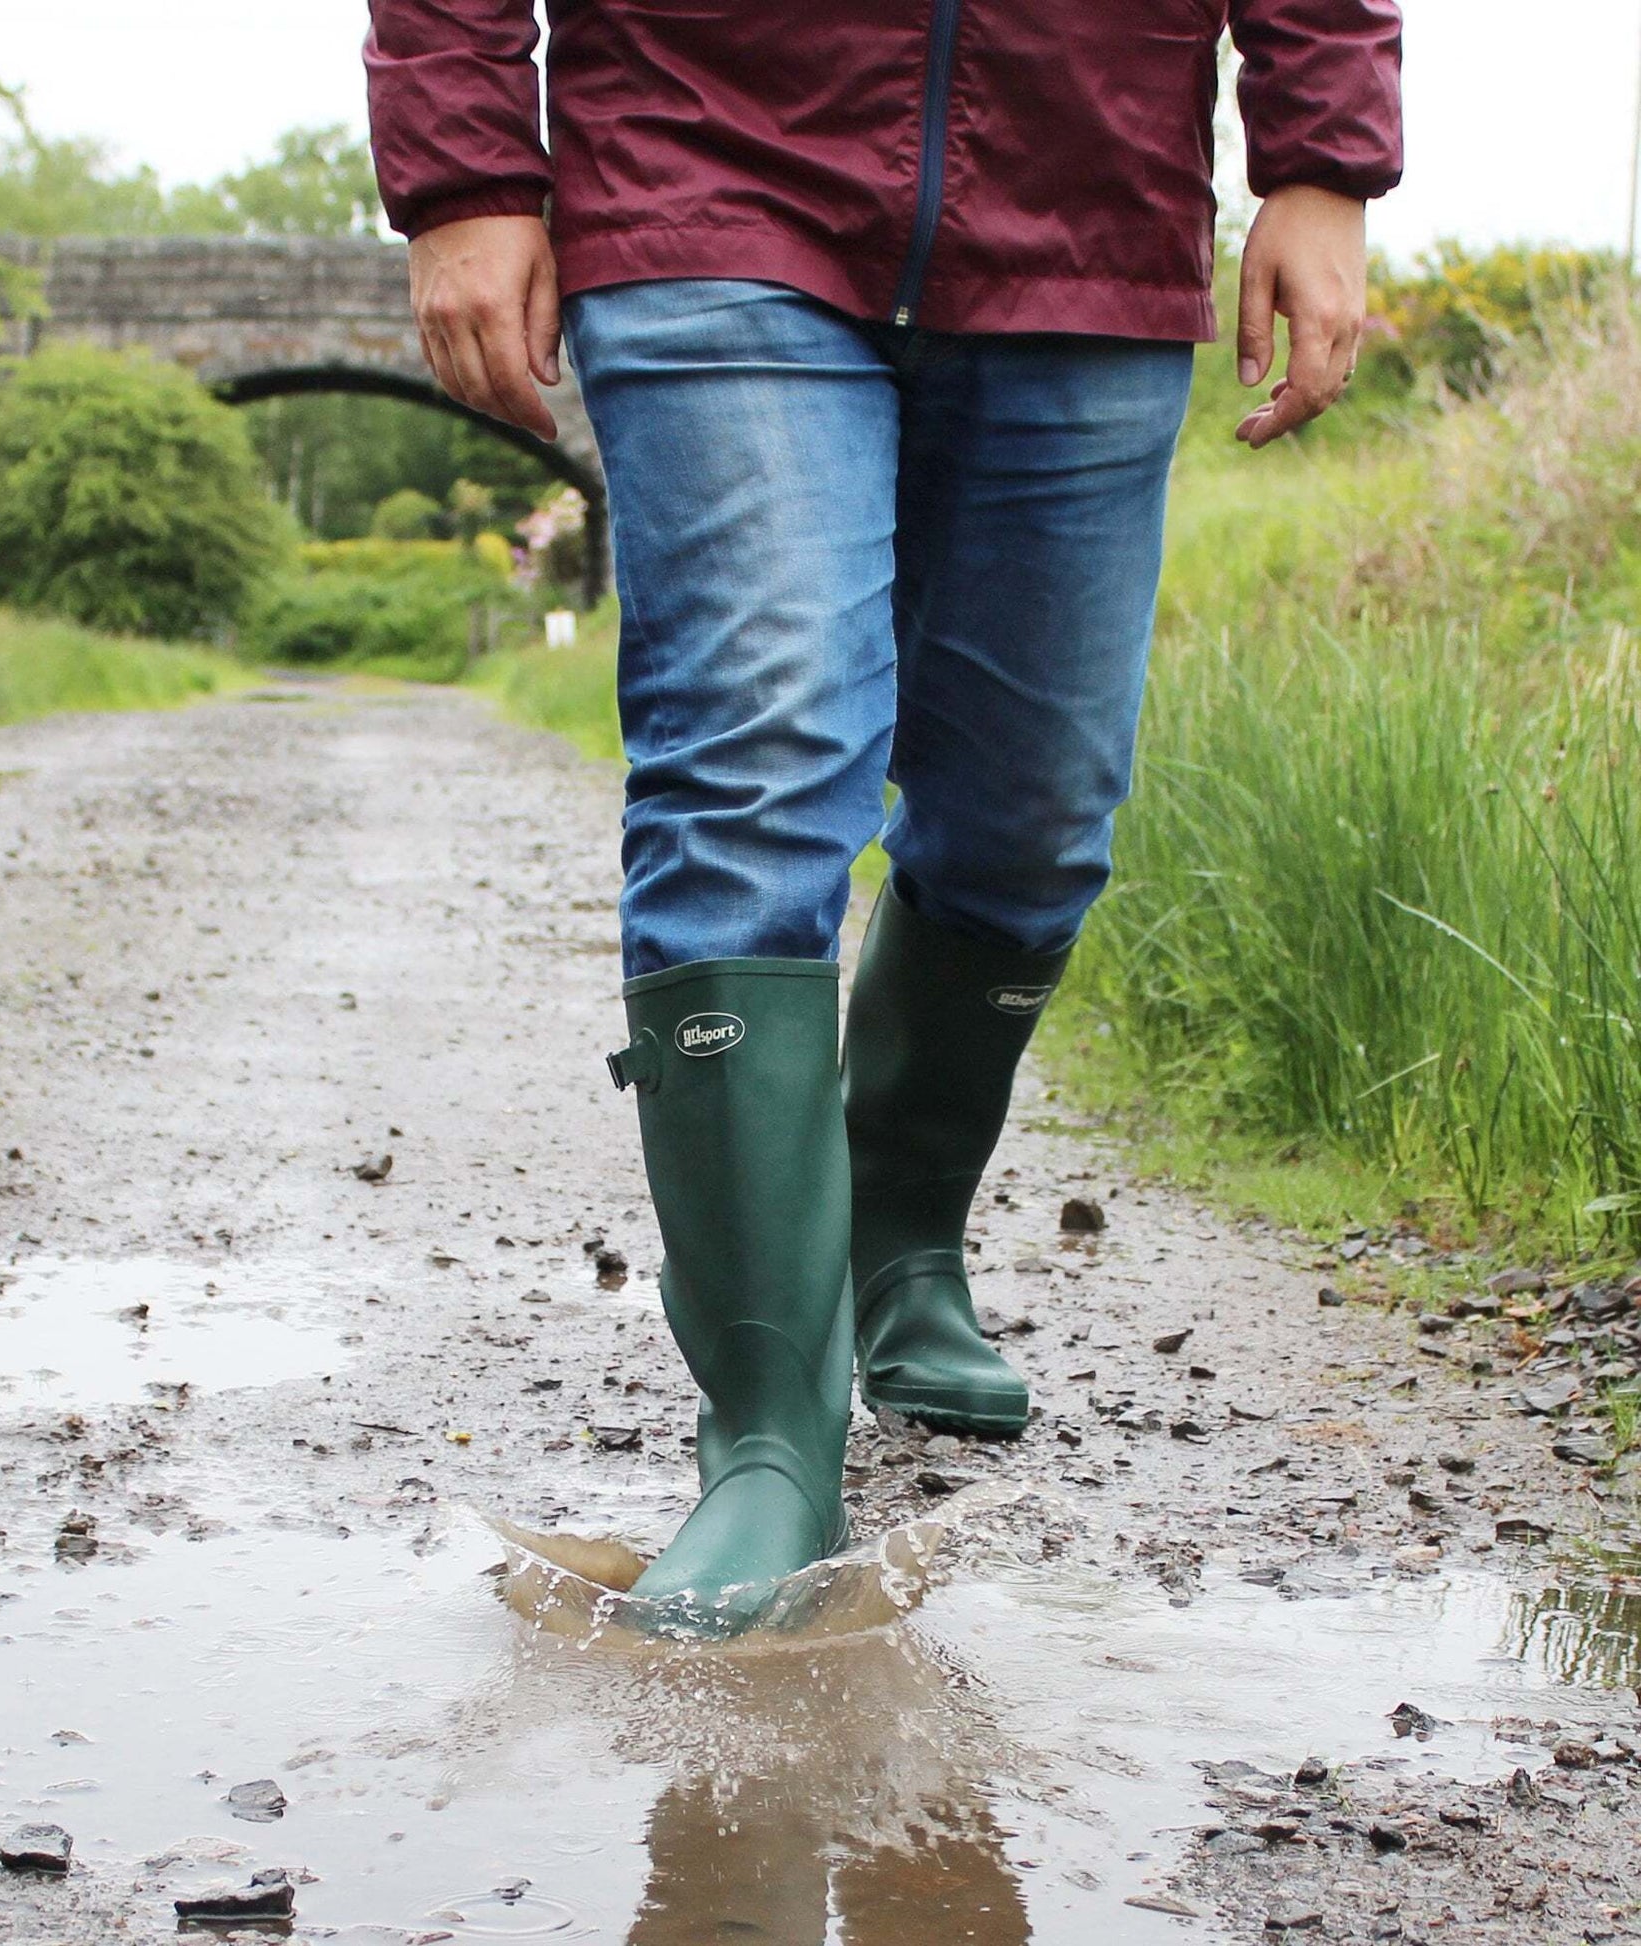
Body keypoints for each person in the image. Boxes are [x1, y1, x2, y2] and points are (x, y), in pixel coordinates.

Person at [365, 0, 1402, 1630]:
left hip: (1085, 183)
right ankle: (772, 1437)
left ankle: (899, 1247)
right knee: (755, 756)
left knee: (1033, 808)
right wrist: (464, 164)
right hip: (704, 149)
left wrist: (1321, 155)